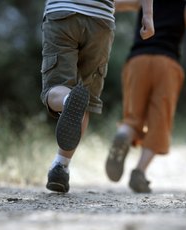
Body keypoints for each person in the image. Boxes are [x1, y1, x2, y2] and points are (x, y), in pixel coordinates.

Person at [106, 0, 186, 193]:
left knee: (132, 117)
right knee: (159, 121)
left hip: (138, 60)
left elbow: (113, 4)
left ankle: (124, 134)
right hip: (167, 65)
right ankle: (139, 171)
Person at [40, 0, 154, 193]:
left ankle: (67, 101)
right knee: (85, 99)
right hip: (100, 20)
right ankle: (61, 164)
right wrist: (147, 15)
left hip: (62, 12)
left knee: (57, 87)